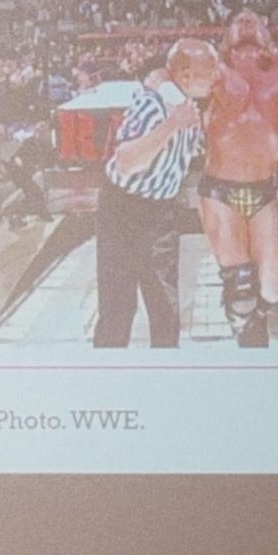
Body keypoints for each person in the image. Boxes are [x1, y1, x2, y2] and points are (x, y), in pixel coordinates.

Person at [92, 38, 216, 348]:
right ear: (186, 74)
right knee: (117, 305)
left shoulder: (185, 102)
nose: (215, 78)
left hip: (160, 211)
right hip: (122, 209)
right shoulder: (153, 104)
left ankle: (165, 368)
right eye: (208, 72)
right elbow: (126, 162)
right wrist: (173, 125)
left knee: (164, 305)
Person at [199, 10, 278, 346]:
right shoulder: (211, 71)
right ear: (226, 39)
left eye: (254, 20)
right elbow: (169, 71)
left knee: (271, 294)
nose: (246, 24)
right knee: (241, 287)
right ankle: (248, 344)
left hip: (263, 190)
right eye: (238, 22)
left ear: (268, 37)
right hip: (220, 189)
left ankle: (252, 326)